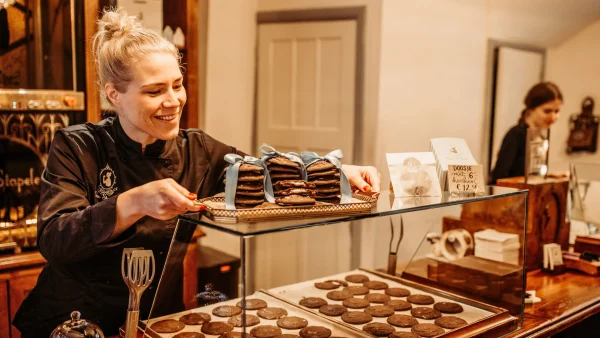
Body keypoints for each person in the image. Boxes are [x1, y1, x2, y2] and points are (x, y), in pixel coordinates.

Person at [13, 8, 381, 337]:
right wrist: (134, 201)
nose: (173, 101)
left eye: (176, 84)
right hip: (75, 322)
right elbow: (55, 239)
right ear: (114, 95)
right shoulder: (78, 146)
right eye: (154, 91)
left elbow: (263, 172)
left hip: (155, 320)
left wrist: (332, 170)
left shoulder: (197, 149)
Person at [490, 82, 563, 184]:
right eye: (547, 111)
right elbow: (499, 177)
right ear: (531, 109)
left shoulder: (541, 137)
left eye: (557, 111)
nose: (553, 117)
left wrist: (549, 175)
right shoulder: (516, 134)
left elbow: (531, 174)